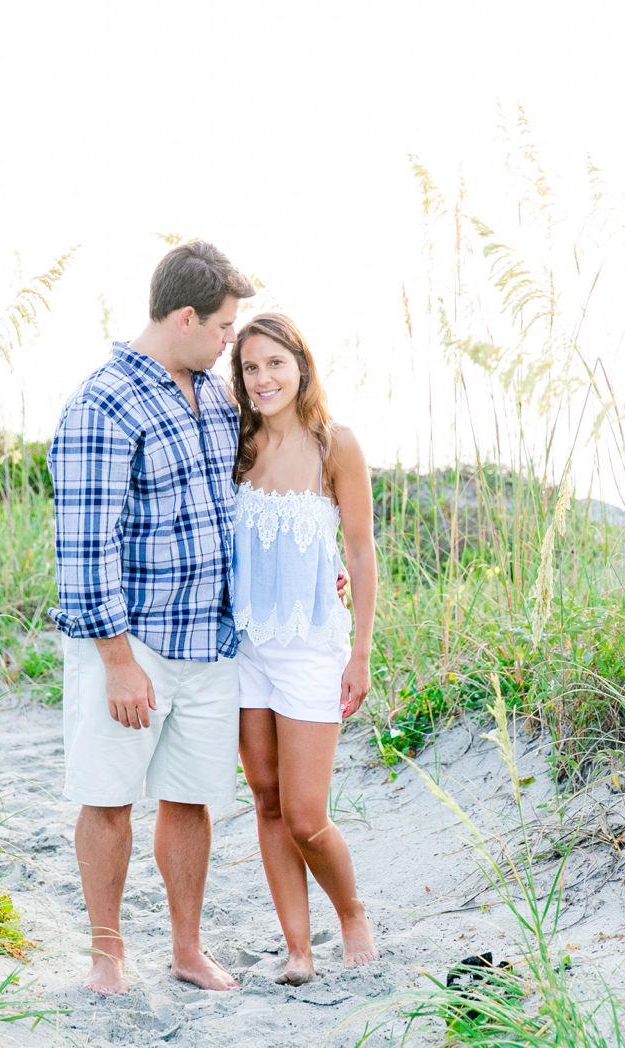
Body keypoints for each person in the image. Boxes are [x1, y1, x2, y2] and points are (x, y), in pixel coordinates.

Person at [48, 240, 255, 995]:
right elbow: (83, 544)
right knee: (107, 798)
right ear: (188, 316)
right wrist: (116, 661)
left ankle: (186, 949)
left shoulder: (213, 394)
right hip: (132, 642)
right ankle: (108, 957)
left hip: (210, 636)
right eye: (227, 326)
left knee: (191, 798)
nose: (233, 340)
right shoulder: (103, 402)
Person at [230, 312, 380, 985]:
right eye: (250, 367)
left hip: (311, 647)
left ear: (301, 365)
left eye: (274, 364)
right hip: (241, 648)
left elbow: (360, 550)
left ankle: (350, 914)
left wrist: (362, 653)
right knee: (265, 800)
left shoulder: (335, 446)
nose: (262, 379)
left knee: (305, 813)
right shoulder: (234, 445)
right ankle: (298, 948)